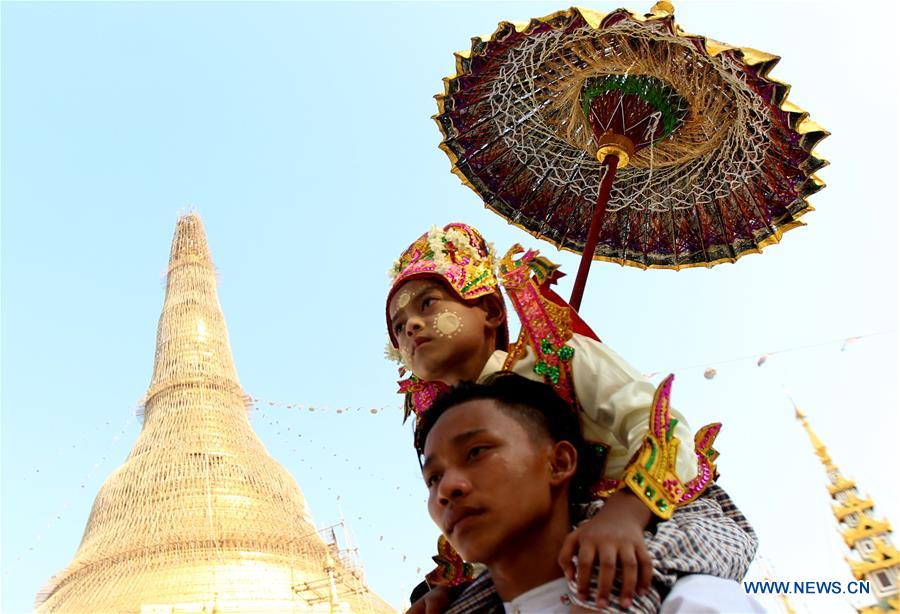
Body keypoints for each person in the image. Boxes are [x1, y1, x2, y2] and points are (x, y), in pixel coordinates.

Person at [386, 223, 759, 612]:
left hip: (661, 513)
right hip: (551, 546)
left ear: (492, 311)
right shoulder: (442, 430)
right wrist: (450, 592)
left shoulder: (555, 354)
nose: (411, 326)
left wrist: (626, 512)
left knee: (610, 584)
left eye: (428, 304)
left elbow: (659, 427)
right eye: (398, 327)